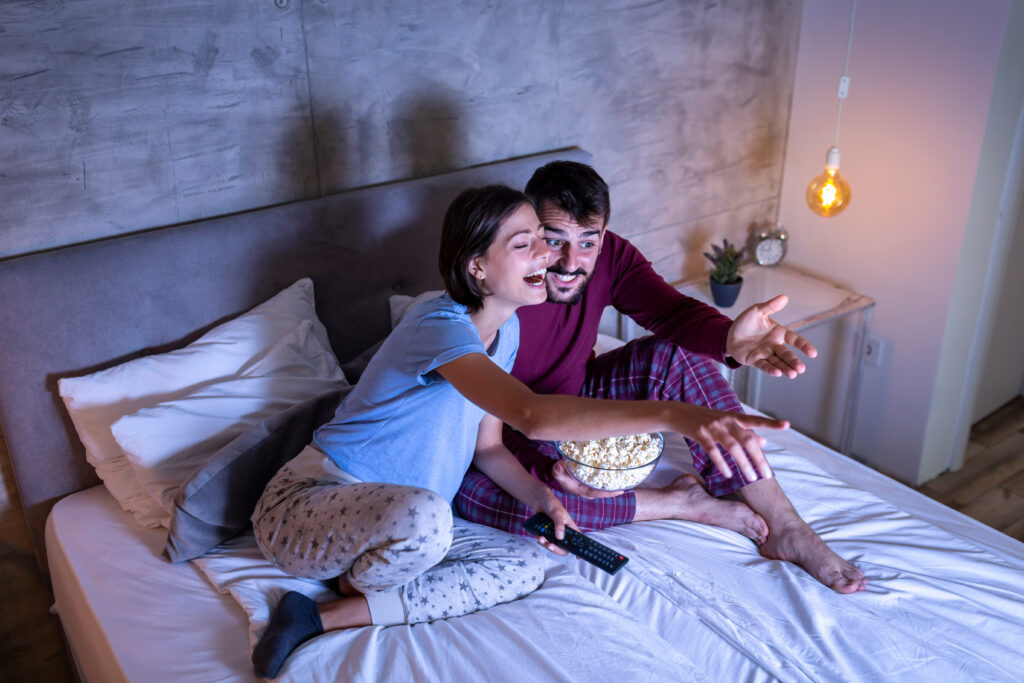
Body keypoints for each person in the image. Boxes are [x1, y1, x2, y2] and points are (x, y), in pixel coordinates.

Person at [248, 185, 792, 678]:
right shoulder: (437, 326)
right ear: (477, 268)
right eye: (525, 243)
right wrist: (675, 414)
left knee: (528, 558)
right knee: (429, 516)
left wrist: (543, 500)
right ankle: (358, 582)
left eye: (542, 241)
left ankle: (322, 615)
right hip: (309, 505)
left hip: (401, 520)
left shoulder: (503, 334)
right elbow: (531, 415)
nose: (548, 255)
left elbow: (487, 447)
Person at [455, 161, 867, 595]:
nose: (570, 262)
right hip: (506, 426)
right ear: (528, 230)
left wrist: (728, 337)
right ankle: (677, 504)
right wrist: (551, 472)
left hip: (582, 401)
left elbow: (670, 312)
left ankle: (787, 527)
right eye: (554, 240)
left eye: (588, 242)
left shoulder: (609, 255)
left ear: (603, 236)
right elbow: (505, 428)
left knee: (672, 355)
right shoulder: (497, 287)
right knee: (487, 500)